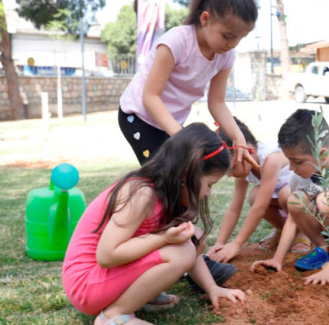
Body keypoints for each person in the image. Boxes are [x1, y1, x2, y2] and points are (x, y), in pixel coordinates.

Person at [62, 124, 246, 325]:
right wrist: (164, 238)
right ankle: (113, 316)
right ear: (186, 173)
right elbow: (106, 255)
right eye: (209, 184)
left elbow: (190, 245)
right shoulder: (141, 193)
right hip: (86, 284)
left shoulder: (168, 193)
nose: (208, 193)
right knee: (181, 251)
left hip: (103, 279)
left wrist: (212, 288)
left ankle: (142, 296)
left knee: (194, 237)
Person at [117, 0, 258, 173]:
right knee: (167, 179)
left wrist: (239, 138)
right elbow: (150, 97)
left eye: (240, 38)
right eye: (228, 35)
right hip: (138, 116)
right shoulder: (176, 42)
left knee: (188, 176)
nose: (233, 44)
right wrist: (183, 137)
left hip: (171, 124)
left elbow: (217, 103)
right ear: (205, 19)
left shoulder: (226, 56)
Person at [250, 109, 329, 276]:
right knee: (295, 199)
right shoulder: (298, 177)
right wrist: (277, 259)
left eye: (297, 161)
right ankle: (326, 249)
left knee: (326, 200)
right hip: (326, 233)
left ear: (321, 154)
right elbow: (292, 219)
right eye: (289, 160)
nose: (291, 168)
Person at [206, 118, 311, 263]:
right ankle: (281, 230)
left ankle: (304, 232)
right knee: (254, 196)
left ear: (246, 150)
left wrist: (236, 244)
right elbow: (234, 209)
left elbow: (260, 207)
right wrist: (220, 243)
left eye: (231, 168)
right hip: (283, 204)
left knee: (284, 195)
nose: (230, 175)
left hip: (305, 202)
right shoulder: (243, 163)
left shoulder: (270, 160)